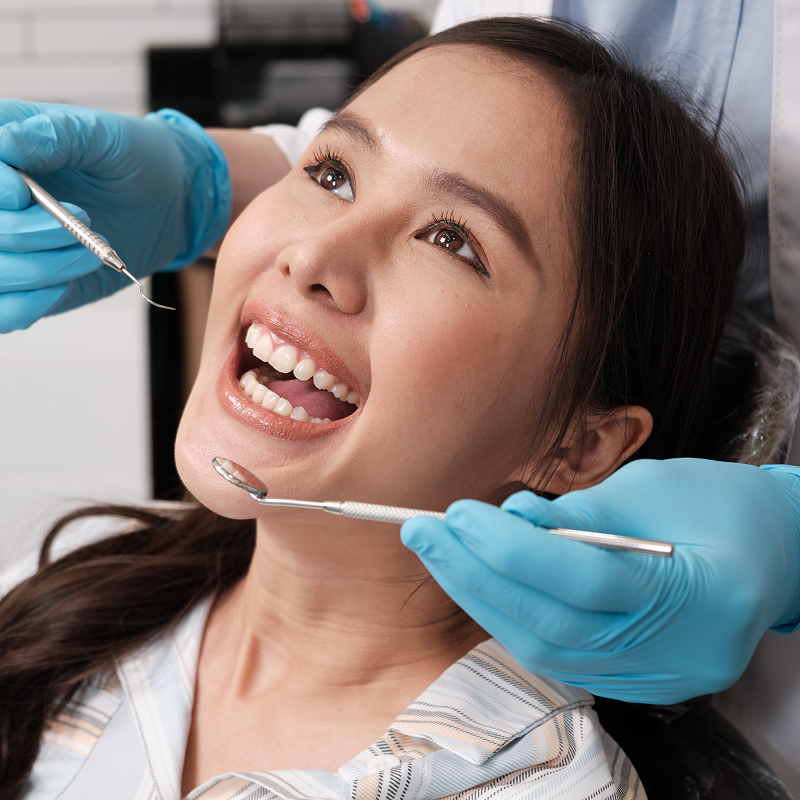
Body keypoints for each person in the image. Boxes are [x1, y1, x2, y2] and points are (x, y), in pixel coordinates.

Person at [2, 0, 800, 764]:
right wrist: (207, 174)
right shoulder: (61, 597)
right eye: (331, 174)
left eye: (451, 241)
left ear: (582, 444)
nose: (312, 258)